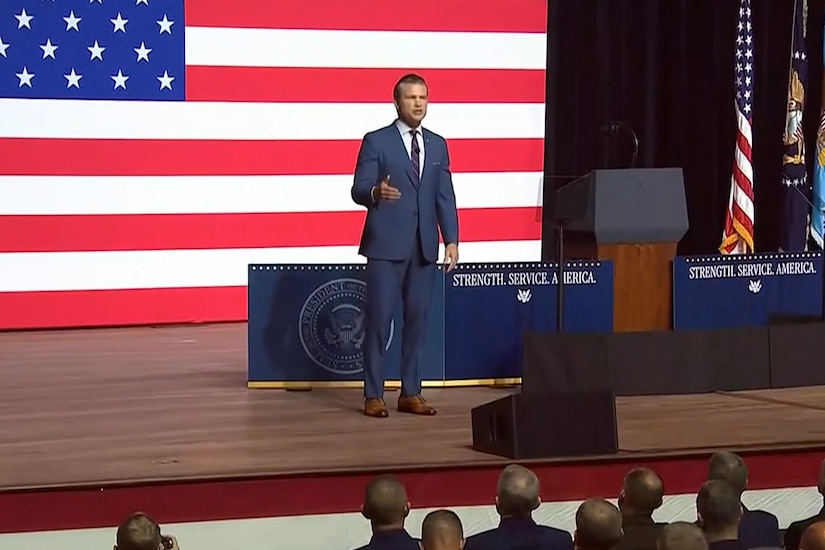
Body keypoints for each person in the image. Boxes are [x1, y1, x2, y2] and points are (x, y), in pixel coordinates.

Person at [351, 73, 459, 418]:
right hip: (385, 246)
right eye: (411, 97)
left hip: (424, 247)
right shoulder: (376, 141)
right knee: (380, 321)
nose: (418, 103)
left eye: (423, 97)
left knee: (418, 321)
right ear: (396, 102)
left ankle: (410, 392)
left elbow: (445, 196)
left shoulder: (438, 144)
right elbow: (358, 188)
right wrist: (374, 193)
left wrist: (452, 239)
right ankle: (374, 394)